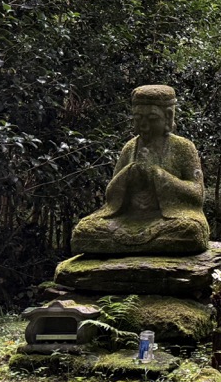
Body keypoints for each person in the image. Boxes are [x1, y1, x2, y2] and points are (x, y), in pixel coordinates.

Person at [70, 85, 210, 256]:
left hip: (168, 220)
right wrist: (130, 171)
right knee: (84, 231)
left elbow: (198, 194)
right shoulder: (130, 147)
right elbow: (110, 195)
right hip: (128, 220)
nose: (143, 125)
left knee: (190, 231)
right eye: (138, 118)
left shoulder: (183, 147)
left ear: (168, 117)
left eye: (151, 118)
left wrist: (156, 172)